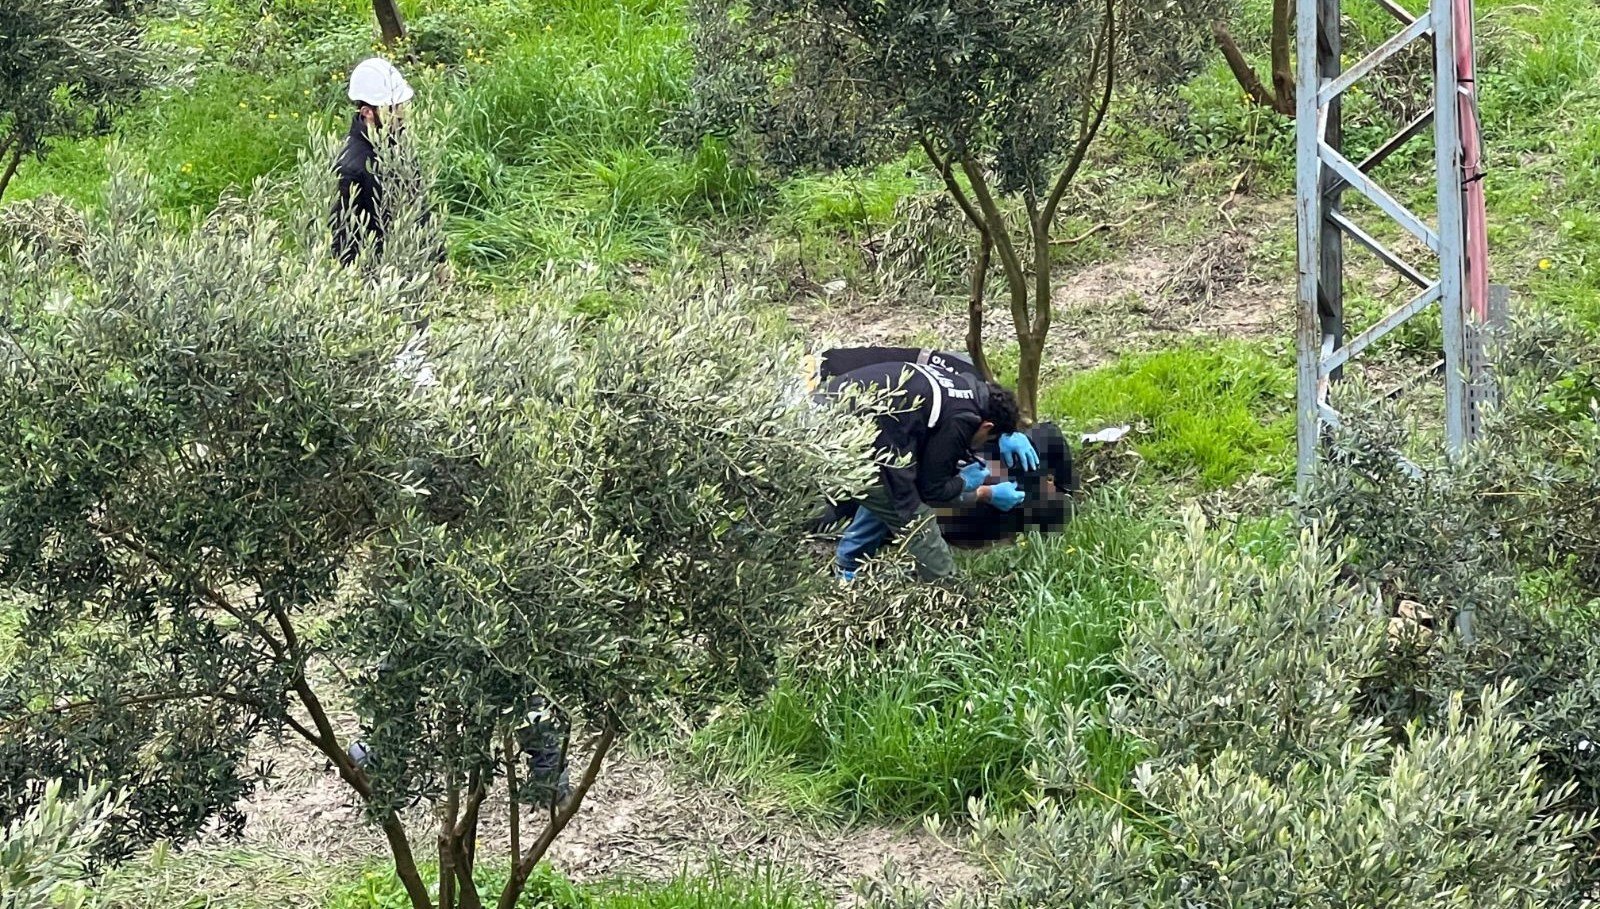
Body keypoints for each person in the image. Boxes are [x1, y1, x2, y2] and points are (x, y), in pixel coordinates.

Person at [816, 357, 1026, 581]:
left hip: (824, 408)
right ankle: (947, 590)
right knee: (913, 514)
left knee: (894, 487)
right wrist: (974, 487)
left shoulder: (964, 386)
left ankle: (849, 562)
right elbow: (931, 491)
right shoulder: (962, 419)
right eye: (987, 440)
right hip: (842, 438)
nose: (981, 447)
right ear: (987, 426)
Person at [332, 57, 436, 267]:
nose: (401, 113)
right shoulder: (349, 166)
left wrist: (438, 259)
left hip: (411, 267)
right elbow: (343, 240)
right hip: (375, 278)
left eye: (401, 105)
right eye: (393, 107)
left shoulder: (400, 148)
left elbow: (420, 210)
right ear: (367, 112)